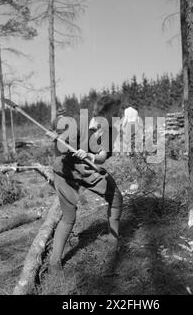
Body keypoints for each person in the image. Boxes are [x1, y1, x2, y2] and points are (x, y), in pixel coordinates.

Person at [48, 97, 123, 275]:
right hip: (65, 170)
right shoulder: (79, 122)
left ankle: (114, 242)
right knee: (69, 216)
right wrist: (56, 134)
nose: (117, 116)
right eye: (114, 113)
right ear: (101, 112)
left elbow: (103, 156)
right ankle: (54, 263)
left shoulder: (111, 130)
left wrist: (89, 156)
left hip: (88, 169)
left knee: (116, 198)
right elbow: (58, 128)